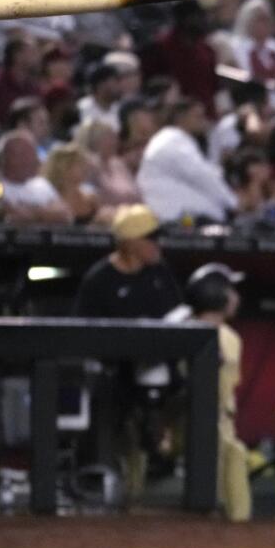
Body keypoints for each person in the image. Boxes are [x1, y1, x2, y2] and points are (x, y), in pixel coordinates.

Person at [73, 204, 184, 499]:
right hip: (115, 374)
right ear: (131, 243)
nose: (158, 245)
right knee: (104, 400)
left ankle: (168, 461)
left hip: (160, 369)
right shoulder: (100, 279)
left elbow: (179, 317)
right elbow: (82, 335)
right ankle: (101, 483)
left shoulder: (160, 273)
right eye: (151, 239)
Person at [185, 272, 252, 522]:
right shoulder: (195, 330)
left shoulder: (229, 336)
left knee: (232, 451)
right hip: (193, 418)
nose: (235, 298)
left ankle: (230, 528)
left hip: (213, 418)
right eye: (230, 291)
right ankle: (236, 529)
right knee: (233, 452)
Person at [137, 99, 239, 223]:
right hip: (172, 218)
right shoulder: (171, 139)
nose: (203, 120)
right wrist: (232, 203)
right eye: (198, 116)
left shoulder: (177, 139)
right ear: (181, 118)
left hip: (180, 216)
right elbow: (201, 176)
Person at [141, 1, 219, 115]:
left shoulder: (206, 50)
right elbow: (150, 85)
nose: (205, 20)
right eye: (199, 16)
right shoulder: (160, 47)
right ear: (186, 19)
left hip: (205, 116)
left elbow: (214, 86)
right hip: (174, 117)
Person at [0, 130, 72, 225]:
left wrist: (32, 212)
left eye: (32, 154)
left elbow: (66, 215)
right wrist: (47, 213)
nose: (32, 160)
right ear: (5, 157)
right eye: (23, 155)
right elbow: (7, 212)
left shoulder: (42, 184)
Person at [230, 0, 275, 90]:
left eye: (268, 19)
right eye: (261, 19)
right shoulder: (236, 47)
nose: (267, 23)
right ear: (248, 21)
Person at [41, 142, 104, 225]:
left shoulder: (91, 200)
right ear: (64, 168)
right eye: (79, 164)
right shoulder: (49, 198)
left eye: (84, 163)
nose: (85, 168)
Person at [78, 63, 124, 131]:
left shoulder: (119, 109)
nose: (118, 86)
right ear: (101, 85)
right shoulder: (82, 108)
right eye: (114, 81)